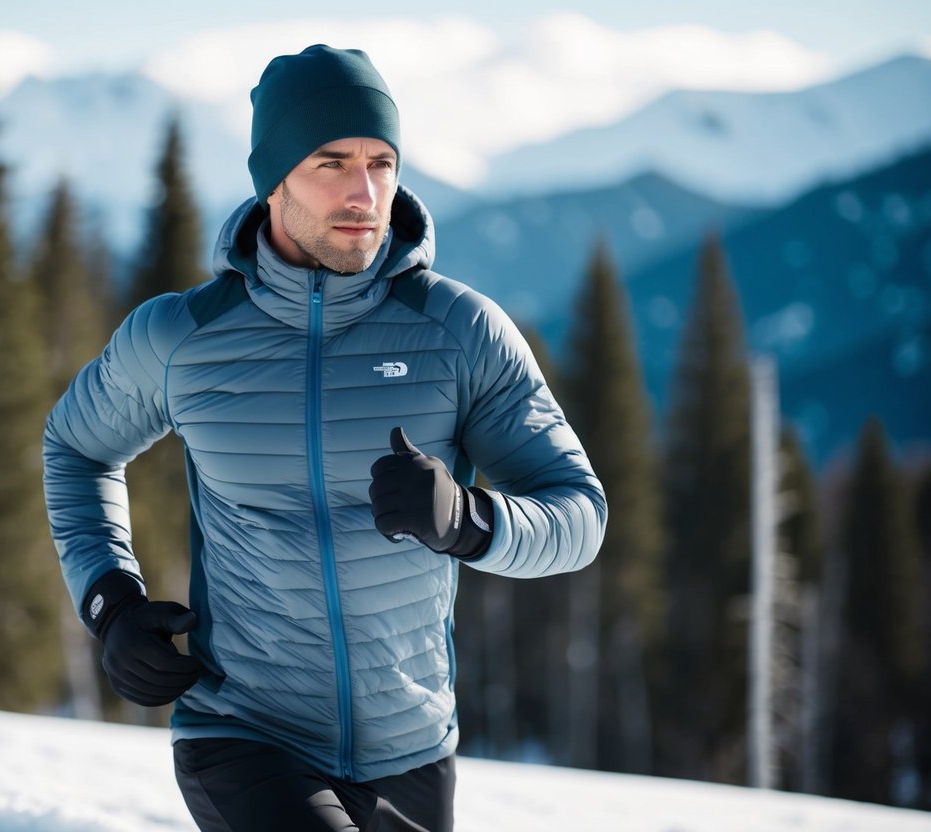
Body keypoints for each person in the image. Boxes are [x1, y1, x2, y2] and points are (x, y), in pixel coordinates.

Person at [43, 44, 607, 832]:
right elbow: (75, 446)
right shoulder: (184, 336)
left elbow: (579, 516)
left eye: (381, 162)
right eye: (330, 162)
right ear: (272, 179)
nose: (363, 191)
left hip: (412, 745)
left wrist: (472, 522)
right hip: (244, 734)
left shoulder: (458, 332)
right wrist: (110, 600)